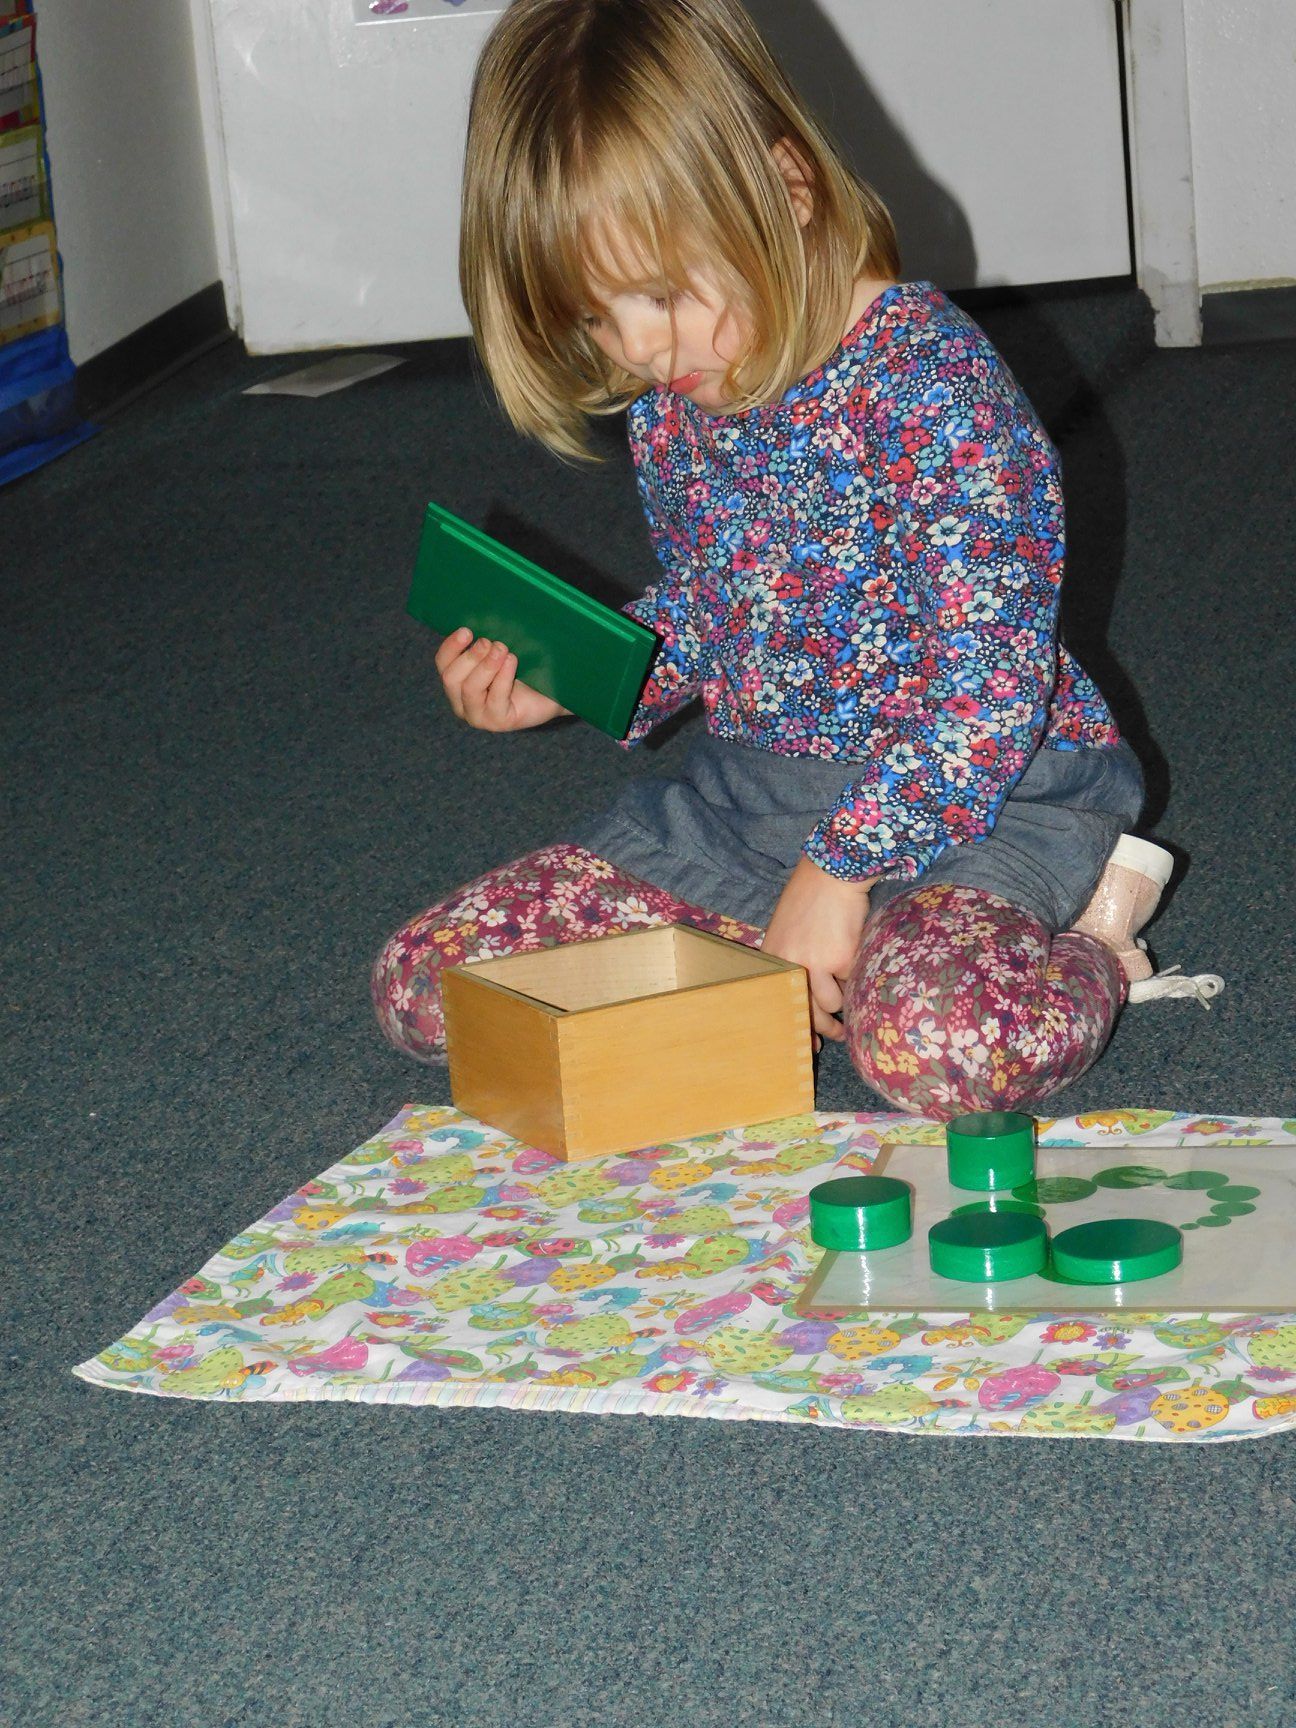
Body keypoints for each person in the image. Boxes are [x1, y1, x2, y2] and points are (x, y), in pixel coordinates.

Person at [372, 0, 1220, 1118]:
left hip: (988, 795)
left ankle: (1088, 931)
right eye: (594, 317)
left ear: (785, 187)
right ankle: (811, 948)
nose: (635, 349)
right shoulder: (675, 399)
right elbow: (723, 606)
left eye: (662, 294)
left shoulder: (932, 387)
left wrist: (842, 871)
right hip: (751, 806)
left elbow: (990, 690)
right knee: (433, 989)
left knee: (945, 1050)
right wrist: (579, 676)